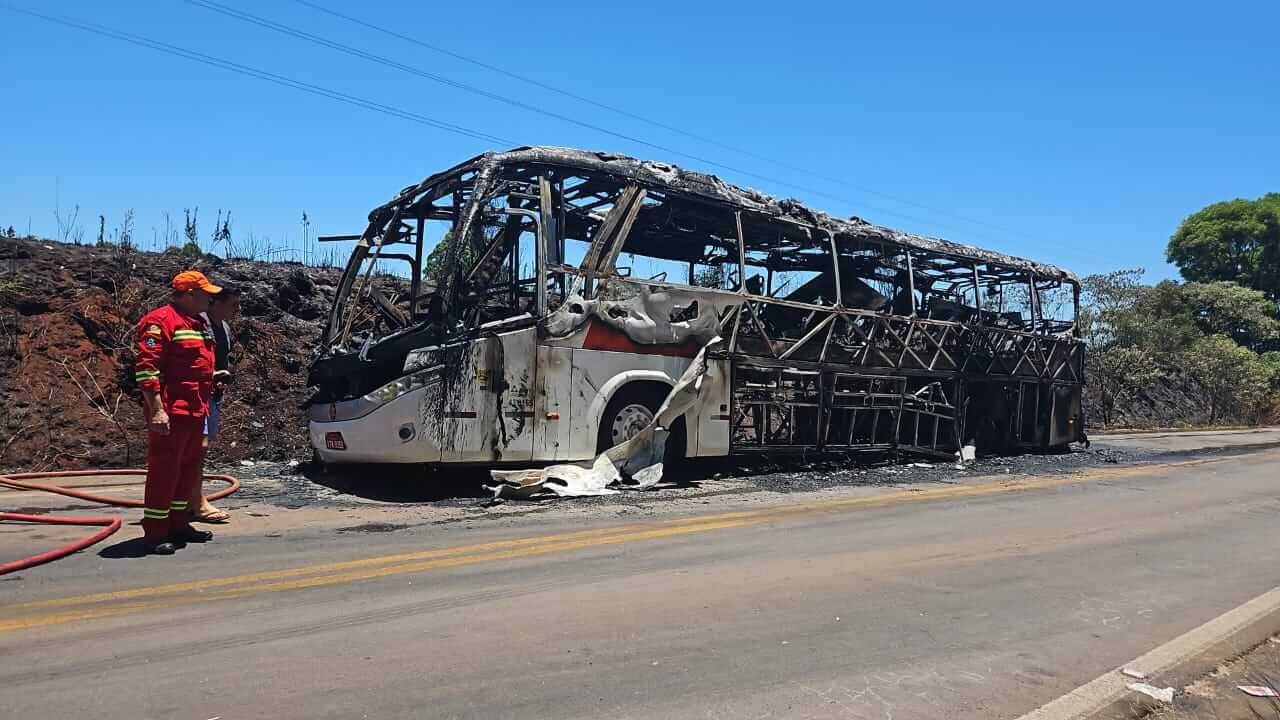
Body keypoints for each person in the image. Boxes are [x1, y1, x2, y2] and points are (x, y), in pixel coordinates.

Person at [133, 270, 220, 555]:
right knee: (165, 470)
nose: (210, 297)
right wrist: (157, 409)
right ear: (190, 295)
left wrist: (213, 375)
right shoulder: (160, 321)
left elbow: (193, 365)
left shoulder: (197, 323)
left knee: (187, 469)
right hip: (172, 410)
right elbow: (147, 370)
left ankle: (179, 524)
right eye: (206, 293)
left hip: (196, 408)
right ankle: (156, 532)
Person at [191, 286, 240, 523]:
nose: (237, 310)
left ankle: (189, 499)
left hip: (213, 395)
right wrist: (211, 375)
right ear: (215, 303)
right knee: (196, 448)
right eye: (233, 304)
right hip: (197, 396)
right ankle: (197, 503)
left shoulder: (225, 327)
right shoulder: (198, 323)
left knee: (202, 447)